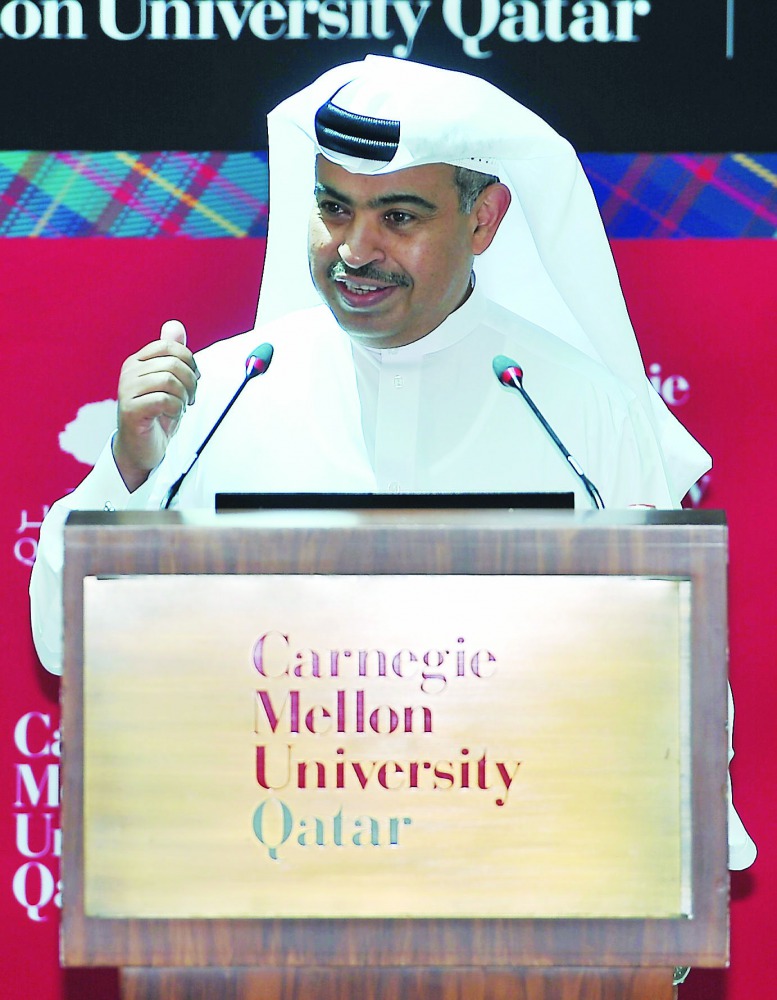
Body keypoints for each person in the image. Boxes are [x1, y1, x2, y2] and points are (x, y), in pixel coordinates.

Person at [29, 56, 755, 871]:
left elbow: (673, 679)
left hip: (513, 893)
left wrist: (671, 883)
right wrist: (127, 470)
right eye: (333, 208)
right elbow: (63, 642)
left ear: (483, 221)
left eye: (399, 217)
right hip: (268, 886)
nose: (355, 249)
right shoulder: (224, 391)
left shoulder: (576, 410)